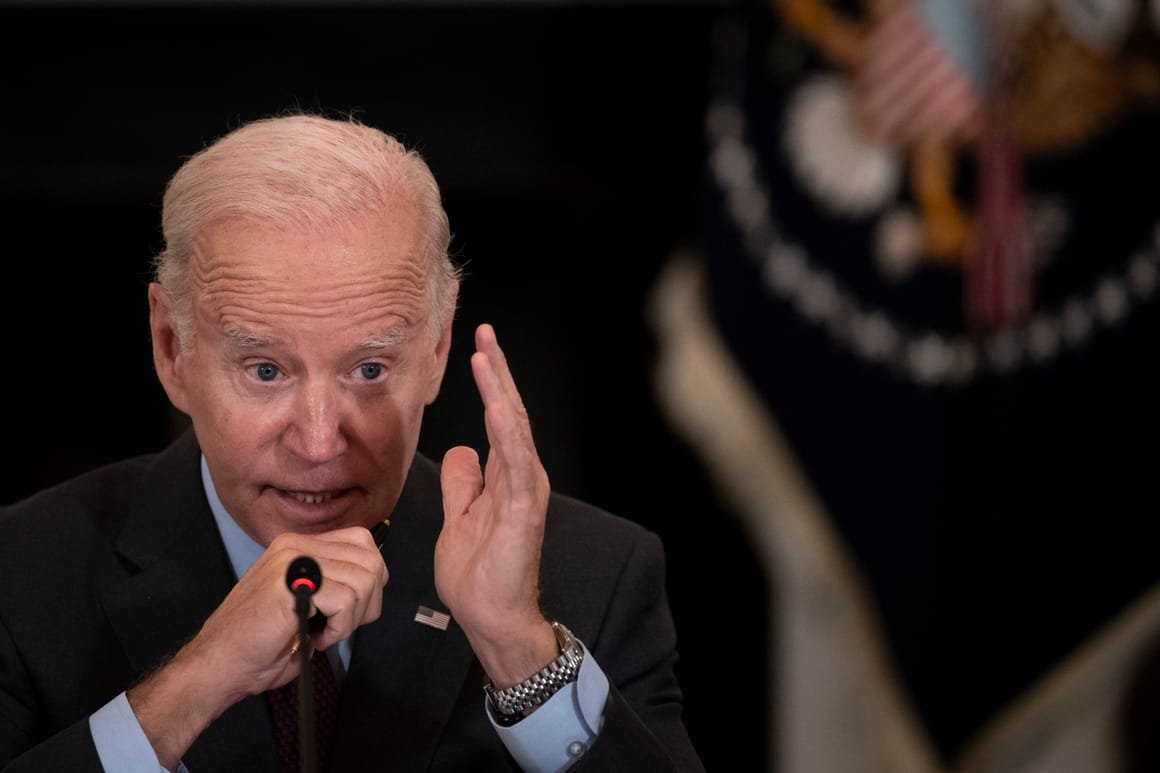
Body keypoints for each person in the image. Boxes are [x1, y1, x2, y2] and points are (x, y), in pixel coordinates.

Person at [0, 113, 704, 772]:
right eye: (265, 370)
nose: (317, 442)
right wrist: (194, 684)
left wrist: (518, 650)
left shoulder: (597, 573)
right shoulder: (23, 573)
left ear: (436, 347)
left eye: (369, 369)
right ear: (171, 348)